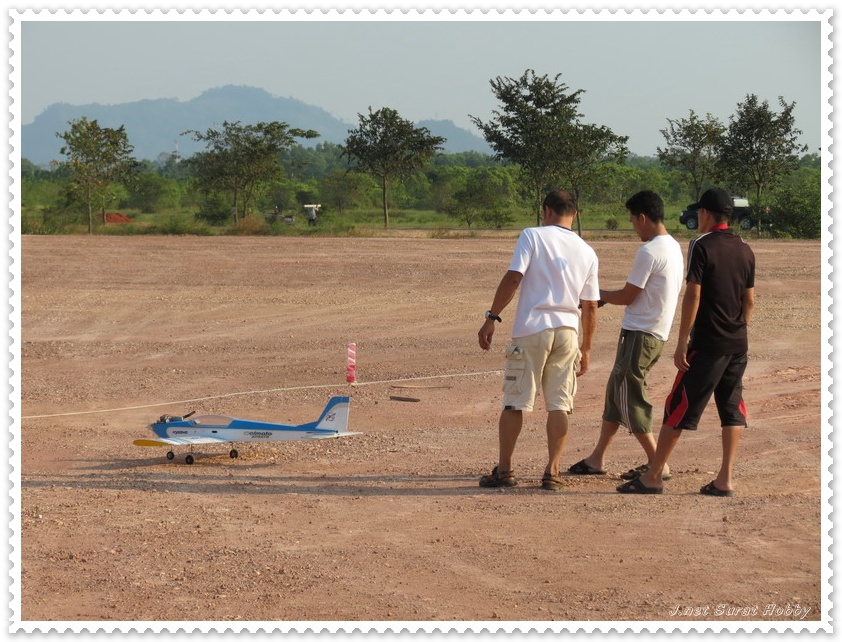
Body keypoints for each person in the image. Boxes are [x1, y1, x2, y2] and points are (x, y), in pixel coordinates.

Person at [616, 187, 755, 496]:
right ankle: (725, 479)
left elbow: (694, 294)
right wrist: (738, 330)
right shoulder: (745, 248)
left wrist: (682, 342)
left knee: (678, 406)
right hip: (737, 344)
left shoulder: (701, 244)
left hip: (707, 344)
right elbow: (749, 300)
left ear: (704, 213)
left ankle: (653, 476)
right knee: (731, 408)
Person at [478, 189, 600, 491]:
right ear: (575, 214)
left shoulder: (532, 235)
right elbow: (590, 305)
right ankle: (552, 471)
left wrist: (492, 317)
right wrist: (586, 348)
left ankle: (505, 470)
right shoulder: (587, 251)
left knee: (516, 402)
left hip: (532, 329)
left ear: (546, 211)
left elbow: (514, 277)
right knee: (559, 404)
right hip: (567, 331)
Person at [568, 190, 684, 481]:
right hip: (653, 333)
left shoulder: (650, 251)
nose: (634, 228)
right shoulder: (672, 246)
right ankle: (597, 458)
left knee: (630, 396)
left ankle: (658, 463)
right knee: (616, 393)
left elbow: (628, 296)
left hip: (641, 334)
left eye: (633, 221)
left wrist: (595, 296)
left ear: (642, 218)